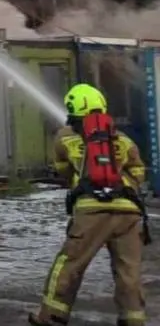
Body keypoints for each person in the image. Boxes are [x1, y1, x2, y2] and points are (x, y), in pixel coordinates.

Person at [30, 82, 149, 326]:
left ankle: (51, 316)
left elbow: (62, 168)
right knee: (129, 271)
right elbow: (138, 171)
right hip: (128, 211)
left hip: (92, 209)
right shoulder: (122, 139)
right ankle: (133, 319)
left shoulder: (66, 136)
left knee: (70, 262)